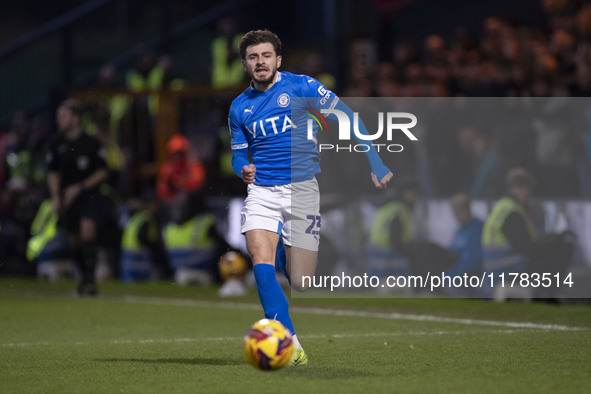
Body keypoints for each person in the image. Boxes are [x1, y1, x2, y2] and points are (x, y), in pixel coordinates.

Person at [228, 30, 393, 366]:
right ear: (245, 64)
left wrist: (374, 160)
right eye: (253, 57)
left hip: (302, 190)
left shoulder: (302, 87)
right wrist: (243, 168)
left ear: (278, 60)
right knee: (260, 262)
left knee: (301, 282)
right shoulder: (239, 108)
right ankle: (290, 345)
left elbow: (348, 116)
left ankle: (281, 256)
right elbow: (238, 155)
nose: (260, 62)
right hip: (261, 192)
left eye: (266, 55)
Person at [46, 99, 110, 296]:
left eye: (63, 116)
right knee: (75, 240)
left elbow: (103, 171)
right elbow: (52, 171)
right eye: (58, 116)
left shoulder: (90, 143)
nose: (59, 120)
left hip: (88, 195)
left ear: (76, 118)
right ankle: (83, 280)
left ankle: (91, 282)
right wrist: (56, 196)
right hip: (67, 198)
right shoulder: (56, 143)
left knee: (88, 229)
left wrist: (80, 187)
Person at [443, 193, 484, 296]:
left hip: (471, 279)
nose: (458, 217)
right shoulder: (459, 231)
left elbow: (472, 260)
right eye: (455, 214)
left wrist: (449, 276)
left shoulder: (477, 229)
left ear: (468, 210)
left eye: (460, 213)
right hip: (456, 277)